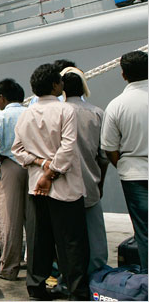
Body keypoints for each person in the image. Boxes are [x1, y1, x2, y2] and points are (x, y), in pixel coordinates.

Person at [12, 63, 89, 300]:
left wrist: (40, 165)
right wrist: (51, 172)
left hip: (37, 188)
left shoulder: (26, 114)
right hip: (64, 186)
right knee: (72, 242)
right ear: (56, 85)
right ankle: (76, 290)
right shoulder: (67, 111)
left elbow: (17, 150)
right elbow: (68, 148)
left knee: (39, 239)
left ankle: (36, 287)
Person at [101, 50, 148, 272]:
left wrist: (122, 165)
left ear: (123, 75)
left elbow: (109, 148)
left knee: (144, 231)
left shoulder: (116, 105)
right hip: (134, 170)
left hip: (134, 173)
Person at [62, 69, 108, 276]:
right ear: (83, 87)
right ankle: (98, 276)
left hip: (62, 185)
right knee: (96, 236)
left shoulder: (58, 113)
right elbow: (103, 156)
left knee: (67, 236)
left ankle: (70, 277)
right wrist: (100, 184)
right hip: (91, 181)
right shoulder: (97, 113)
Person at [0, 78, 27, 281]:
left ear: (1, 97)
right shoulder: (30, 112)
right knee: (33, 220)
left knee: (9, 220)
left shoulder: (3, 115)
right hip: (34, 168)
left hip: (10, 165)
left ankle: (9, 268)